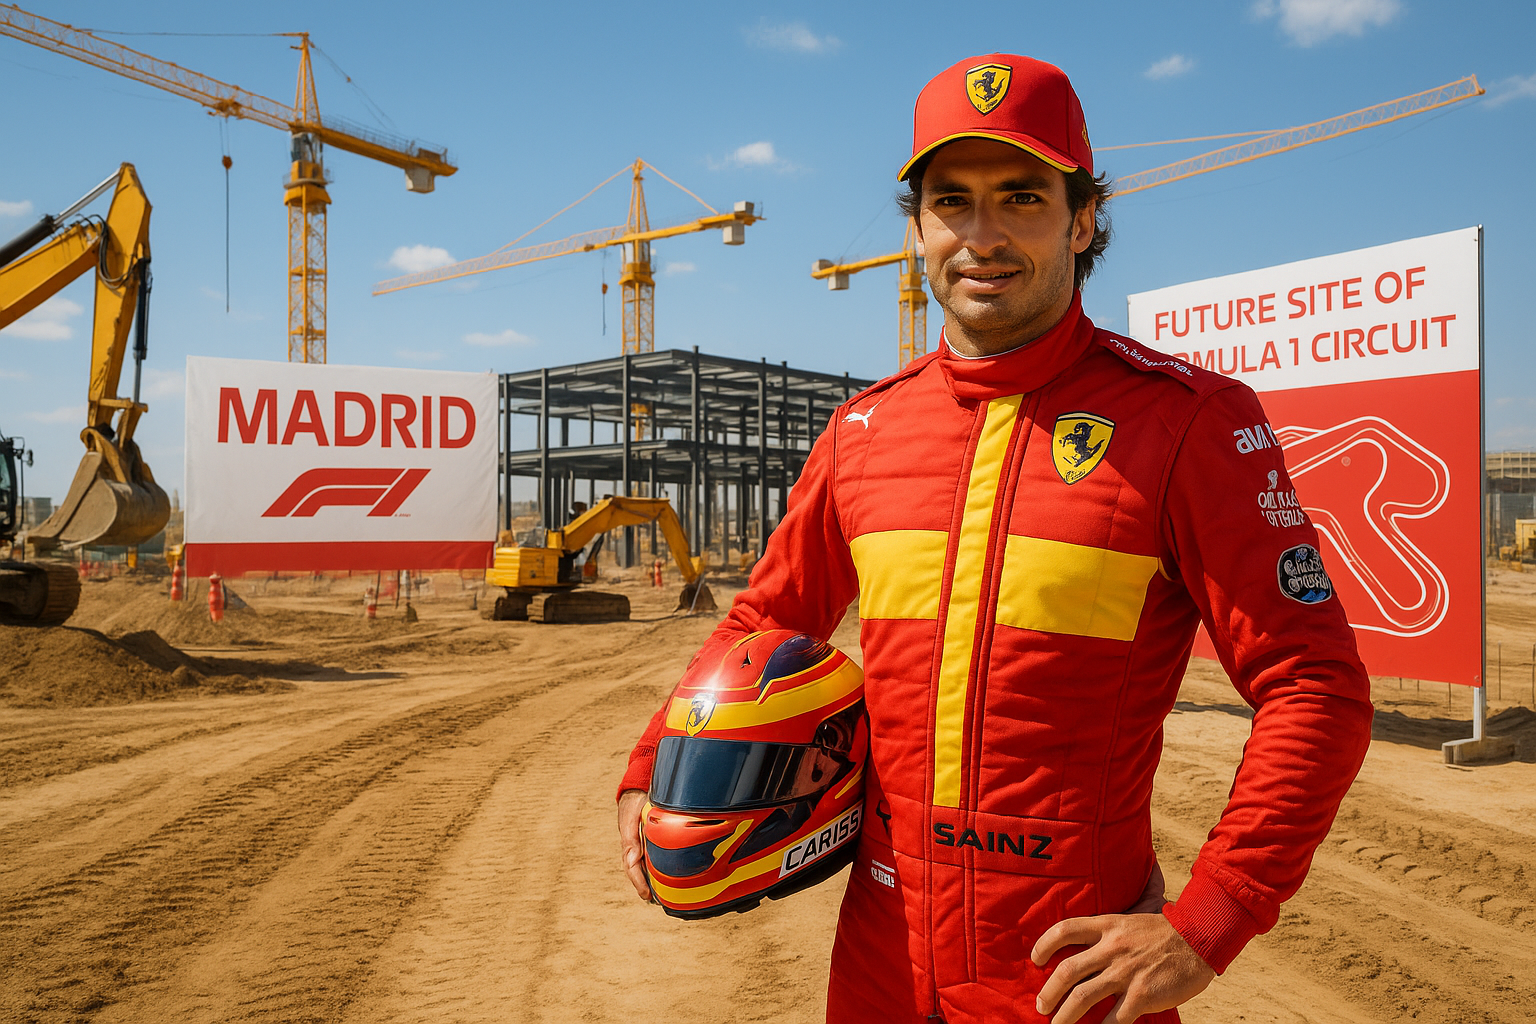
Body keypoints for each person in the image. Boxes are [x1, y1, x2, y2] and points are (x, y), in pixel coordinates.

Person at [617, 53, 1374, 1024]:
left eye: (1021, 197)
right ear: (917, 228)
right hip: (878, 970)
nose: (982, 235)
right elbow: (763, 623)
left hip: (1066, 979)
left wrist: (1208, 920)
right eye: (952, 201)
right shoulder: (862, 432)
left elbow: (1314, 685)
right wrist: (651, 764)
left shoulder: (1187, 421)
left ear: (1083, 219)